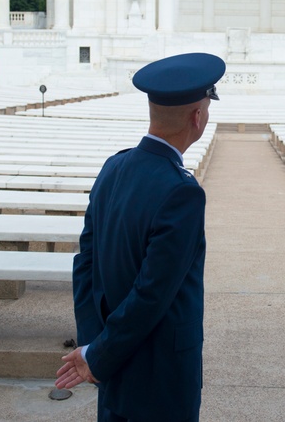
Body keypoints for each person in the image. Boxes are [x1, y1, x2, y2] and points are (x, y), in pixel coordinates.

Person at [55, 52, 226, 422]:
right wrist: (96, 356)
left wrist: (92, 346)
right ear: (197, 118)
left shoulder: (113, 167)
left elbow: (84, 262)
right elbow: (152, 293)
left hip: (110, 364)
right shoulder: (182, 192)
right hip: (159, 373)